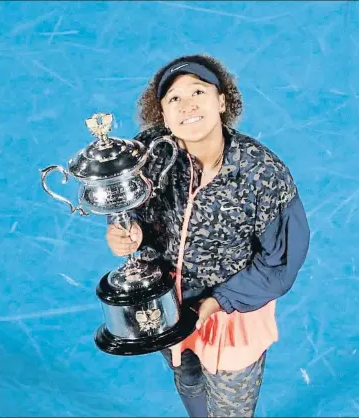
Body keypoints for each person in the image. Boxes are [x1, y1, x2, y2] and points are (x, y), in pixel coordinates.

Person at [106, 54, 310, 417]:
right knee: (188, 383)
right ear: (163, 115)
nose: (188, 105)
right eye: (174, 99)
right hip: (167, 307)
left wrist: (215, 303)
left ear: (221, 101)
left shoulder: (262, 173)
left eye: (198, 91)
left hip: (232, 315)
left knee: (230, 408)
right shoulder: (150, 154)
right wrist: (125, 233)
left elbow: (279, 264)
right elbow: (130, 207)